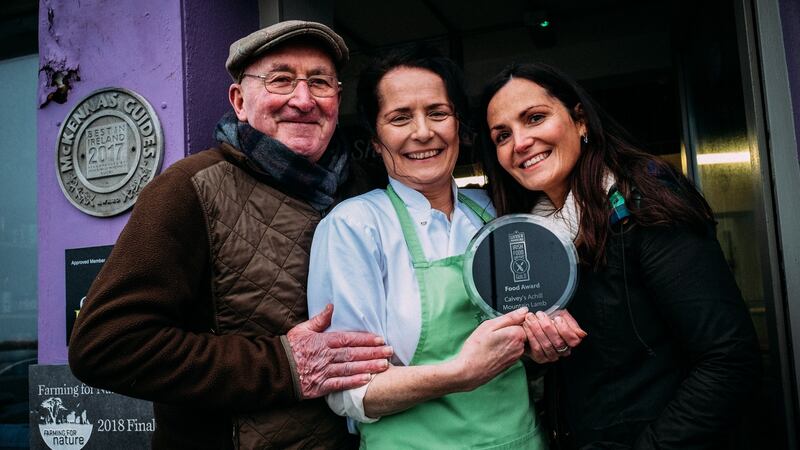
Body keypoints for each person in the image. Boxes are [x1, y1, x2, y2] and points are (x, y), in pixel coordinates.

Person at [68, 21, 394, 450]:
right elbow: (104, 345)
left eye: (320, 82)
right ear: (239, 101)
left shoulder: (367, 190)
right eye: (280, 80)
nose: (303, 99)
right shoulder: (189, 189)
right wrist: (282, 365)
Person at [307, 47, 584, 449]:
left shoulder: (496, 213)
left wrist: (540, 345)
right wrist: (461, 372)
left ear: (458, 125)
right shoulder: (354, 227)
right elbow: (350, 393)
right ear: (376, 139)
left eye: (438, 113)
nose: (423, 132)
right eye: (400, 117)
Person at [480, 62, 761, 449]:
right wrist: (539, 359)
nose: (520, 142)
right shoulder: (531, 241)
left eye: (535, 118)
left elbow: (729, 360)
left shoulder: (647, 206)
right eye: (502, 136)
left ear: (580, 120)